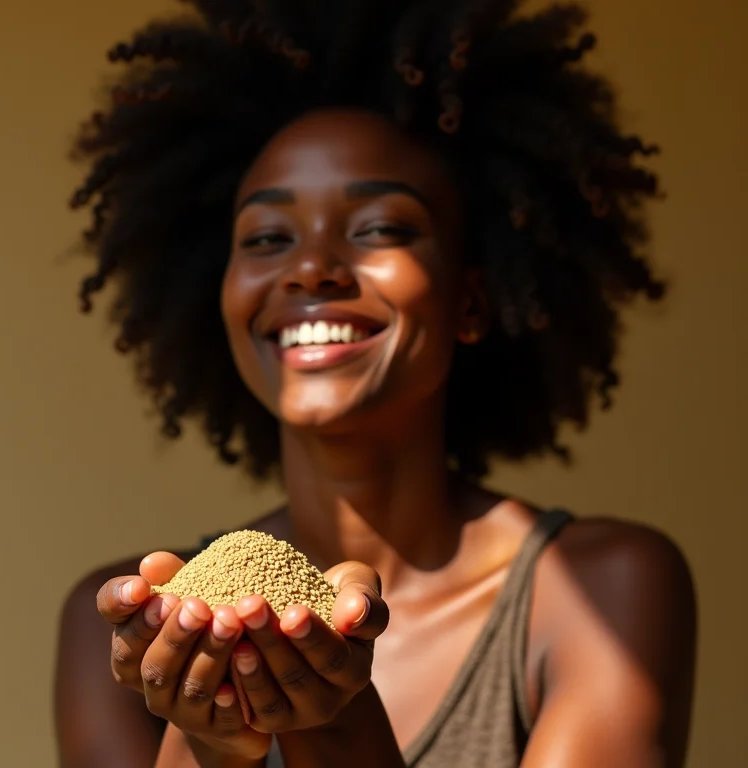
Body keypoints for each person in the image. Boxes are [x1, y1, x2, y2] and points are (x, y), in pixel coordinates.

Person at [54, 1, 697, 766]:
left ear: (469, 301)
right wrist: (209, 737)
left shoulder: (599, 588)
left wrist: (334, 724)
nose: (311, 268)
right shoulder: (133, 627)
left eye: (379, 229)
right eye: (266, 239)